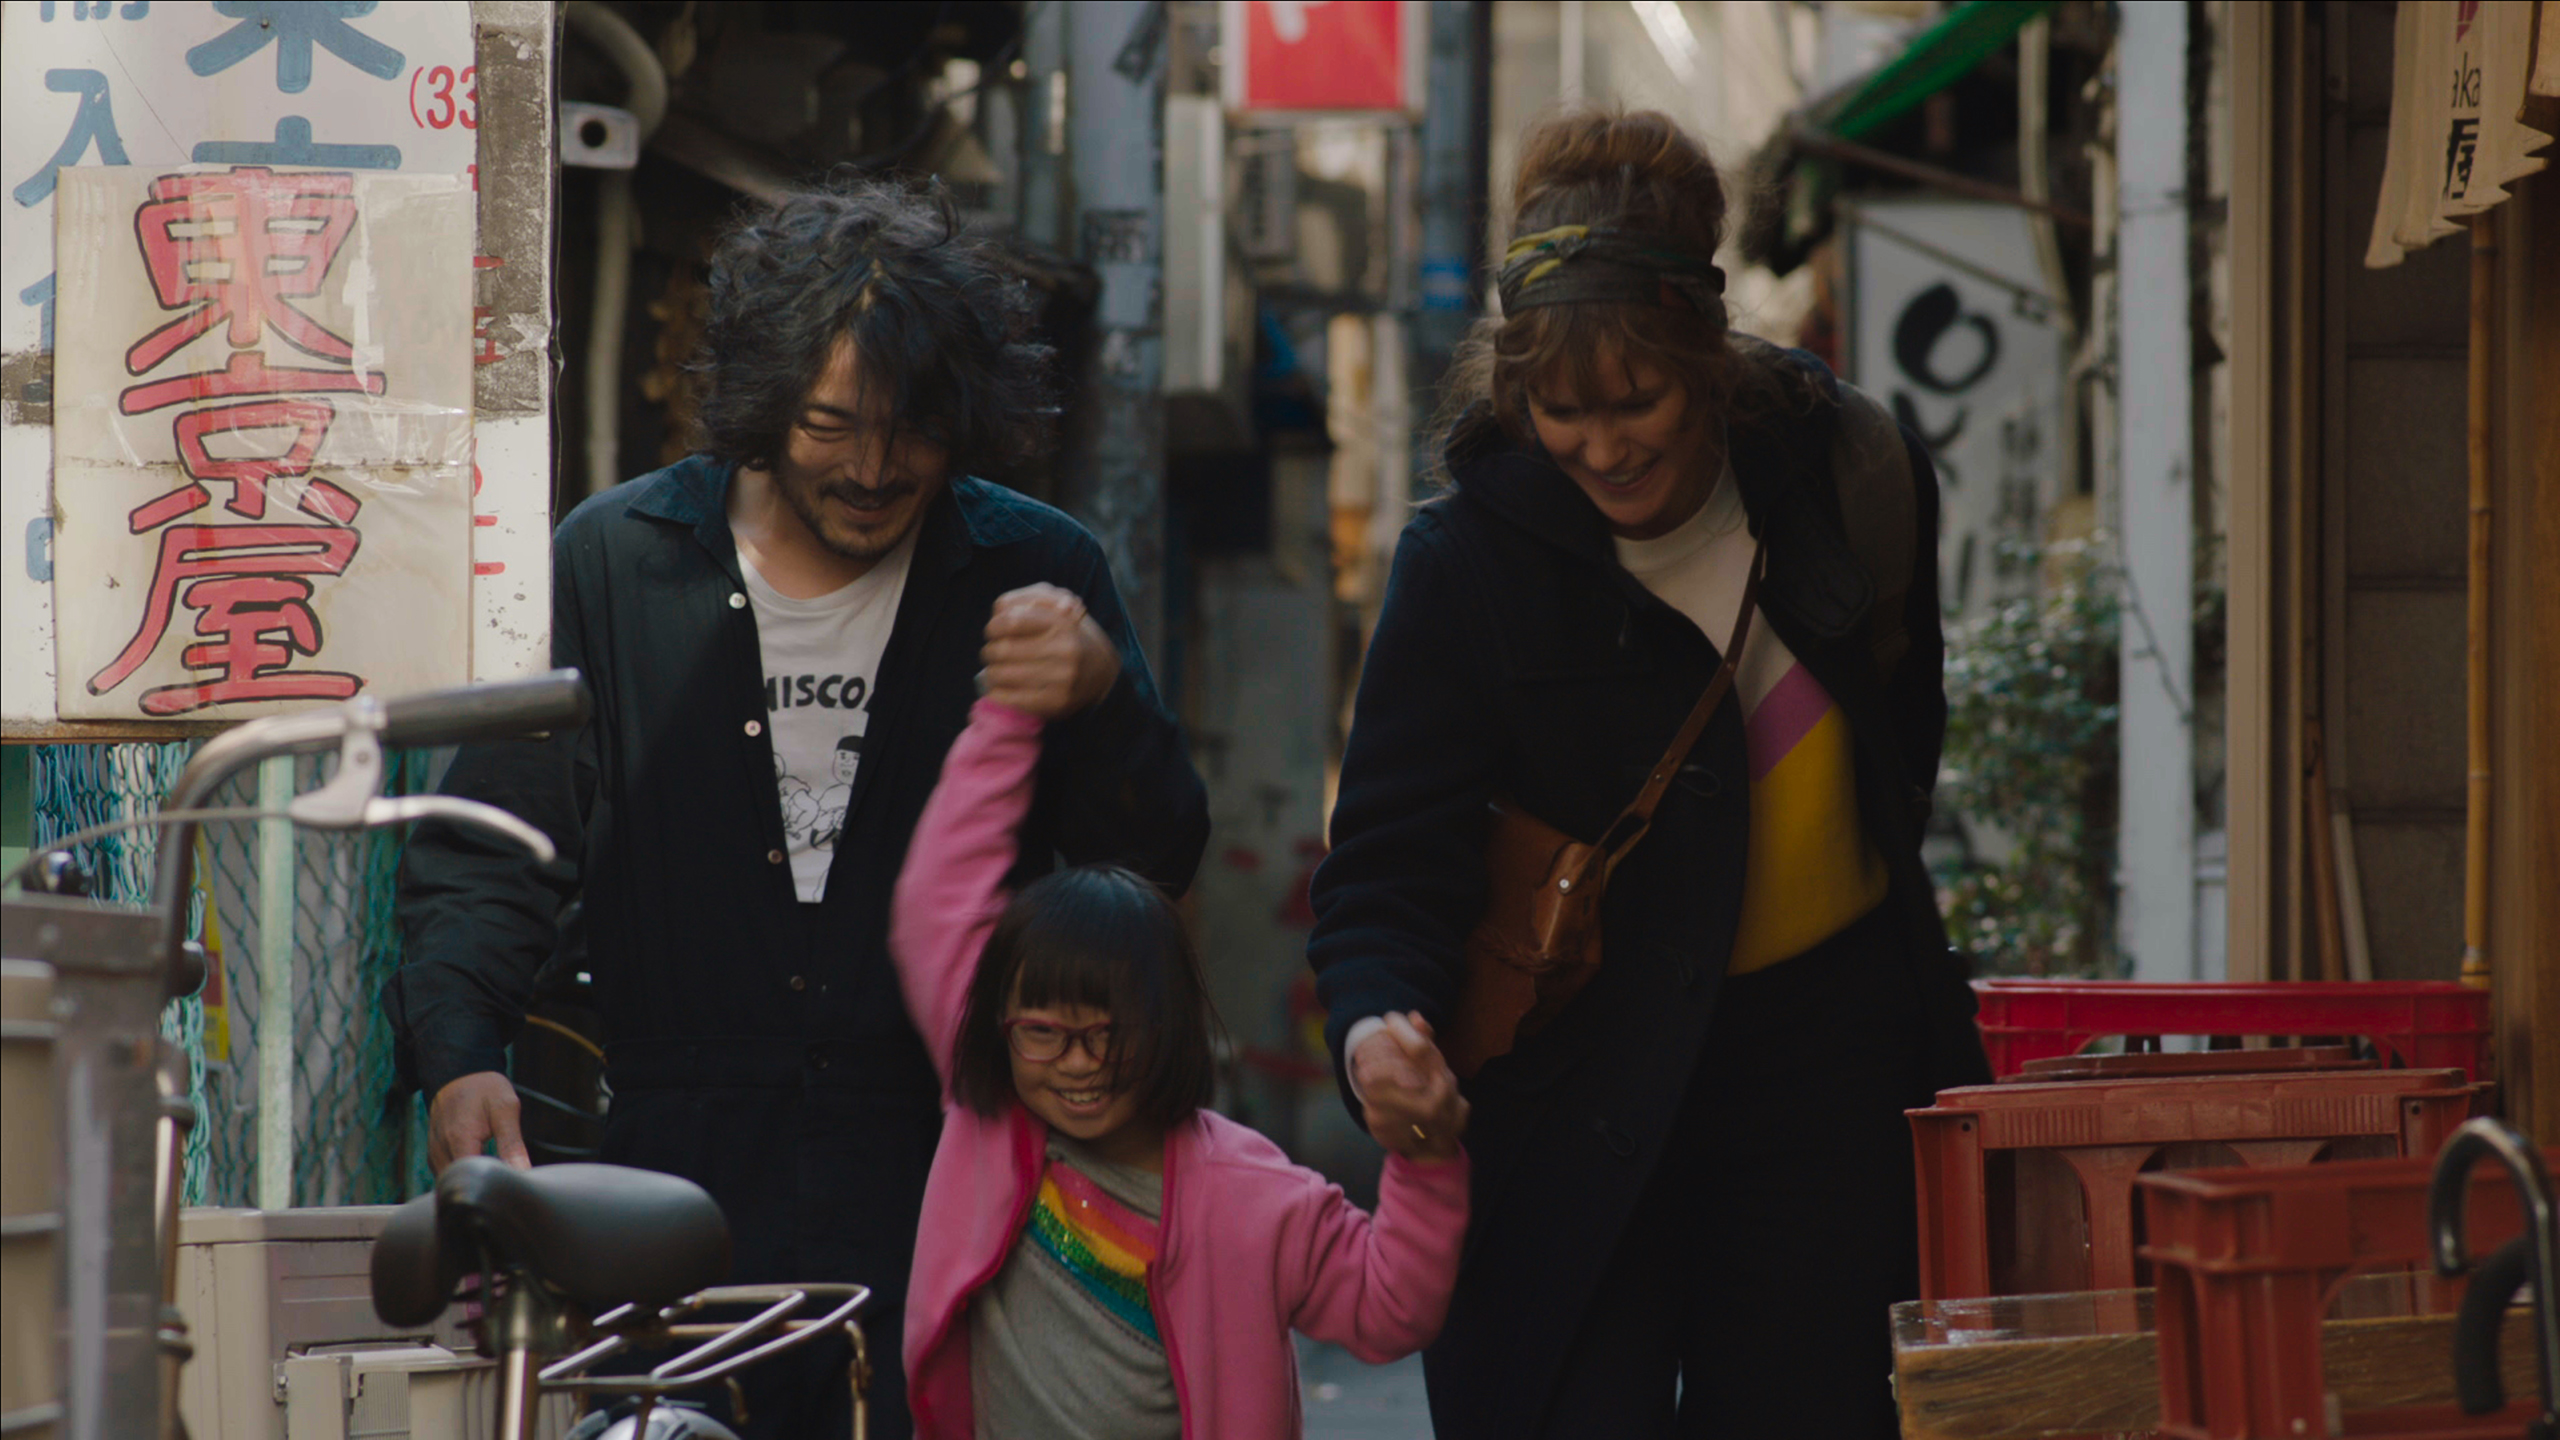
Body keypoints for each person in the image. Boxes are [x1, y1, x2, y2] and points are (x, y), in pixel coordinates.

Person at [391, 179, 1208, 1439]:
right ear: (765, 399)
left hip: (952, 1177)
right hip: (670, 1175)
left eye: (914, 431)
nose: (873, 471)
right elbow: (493, 849)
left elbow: (1151, 866)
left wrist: (1101, 700)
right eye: (831, 425)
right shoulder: (616, 561)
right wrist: (460, 1057)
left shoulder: (1037, 568)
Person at [1307, 109, 1994, 1438]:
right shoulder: (1466, 566)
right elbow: (1387, 863)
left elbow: (1900, 752)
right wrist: (1375, 1024)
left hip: (1825, 1092)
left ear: (1707, 356)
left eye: (1639, 402)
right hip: (1567, 1105)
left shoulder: (1846, 477)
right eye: (1560, 413)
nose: (1604, 446)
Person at [889, 662, 1471, 1440]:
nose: (1076, 1062)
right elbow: (937, 901)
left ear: (1167, 1027)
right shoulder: (990, 1120)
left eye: (1109, 1033)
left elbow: (1388, 1309)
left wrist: (1425, 1155)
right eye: (1045, 1032)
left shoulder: (1252, 1194)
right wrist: (1009, 714)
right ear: (1004, 1027)